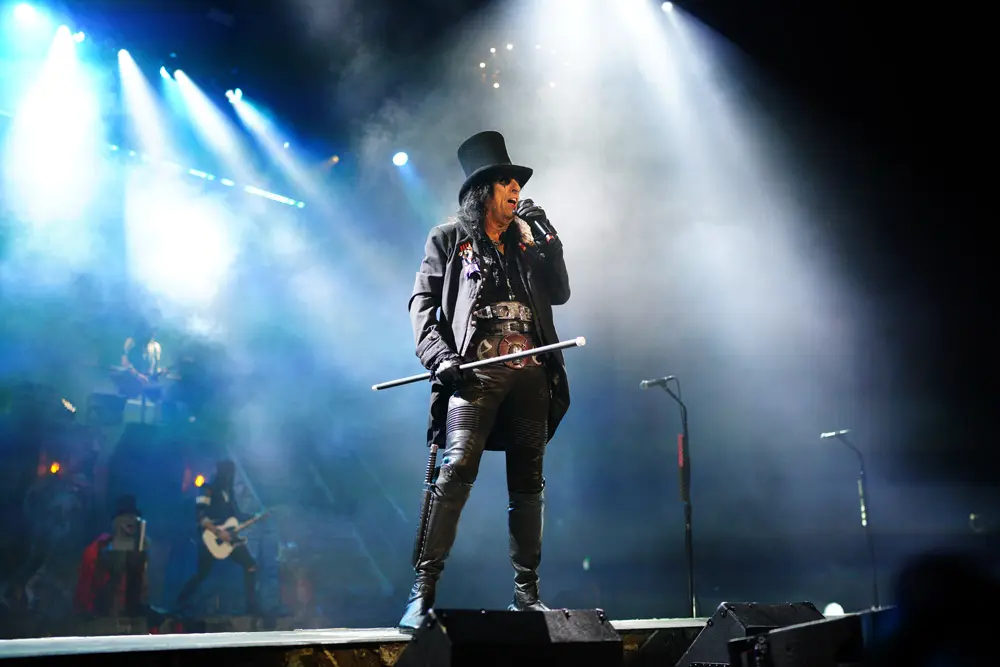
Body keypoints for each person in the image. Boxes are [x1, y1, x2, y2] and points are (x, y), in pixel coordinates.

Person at [399, 130, 572, 630]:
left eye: (518, 182)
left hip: (530, 374)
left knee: (529, 483)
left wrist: (548, 239)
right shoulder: (448, 239)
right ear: (483, 192)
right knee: (453, 473)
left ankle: (527, 595)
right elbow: (423, 304)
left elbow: (559, 293)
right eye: (506, 182)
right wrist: (439, 356)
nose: (516, 189)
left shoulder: (526, 242)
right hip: (474, 372)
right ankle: (422, 594)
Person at [176, 460, 260, 615]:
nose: (230, 476)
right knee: (202, 574)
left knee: (250, 564)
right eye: (227, 472)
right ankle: (180, 603)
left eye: (231, 472)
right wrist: (218, 532)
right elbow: (200, 516)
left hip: (229, 538)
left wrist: (255, 517)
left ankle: (251, 606)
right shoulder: (207, 489)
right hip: (210, 539)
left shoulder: (229, 492)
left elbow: (236, 515)